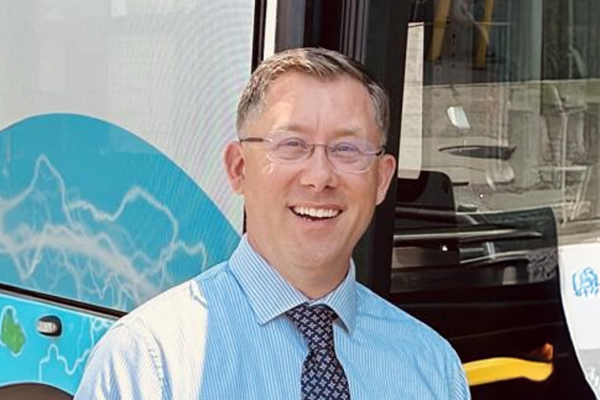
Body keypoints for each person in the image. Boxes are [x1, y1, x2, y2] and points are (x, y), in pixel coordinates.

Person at [74, 47, 470, 400]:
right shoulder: (148, 362)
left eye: (347, 149)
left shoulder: (431, 365)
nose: (319, 177)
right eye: (291, 145)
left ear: (382, 179)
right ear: (239, 168)